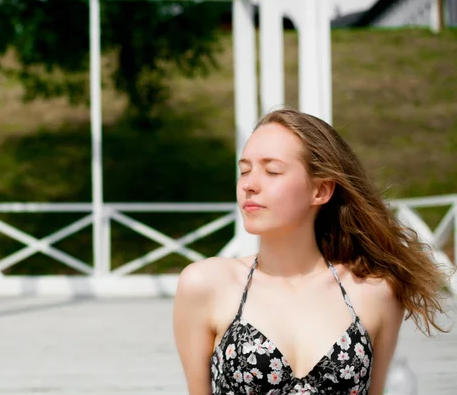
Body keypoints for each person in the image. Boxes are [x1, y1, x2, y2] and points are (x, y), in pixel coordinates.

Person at [172, 108, 450, 395]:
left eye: (272, 171)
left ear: (321, 191)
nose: (249, 185)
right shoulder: (206, 285)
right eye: (244, 170)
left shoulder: (374, 290)